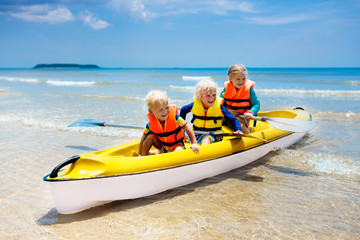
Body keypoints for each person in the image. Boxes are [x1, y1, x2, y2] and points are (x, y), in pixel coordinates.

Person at [180, 79, 242, 146]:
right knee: (181, 135)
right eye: (208, 96)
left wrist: (238, 129)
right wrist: (182, 127)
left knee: (207, 138)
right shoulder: (194, 105)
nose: (212, 98)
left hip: (213, 135)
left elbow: (232, 119)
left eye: (214, 95)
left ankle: (202, 153)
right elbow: (183, 110)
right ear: (200, 96)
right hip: (196, 133)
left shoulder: (220, 107)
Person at [138, 90, 199, 156]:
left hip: (177, 145)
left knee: (178, 151)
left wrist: (194, 143)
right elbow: (143, 138)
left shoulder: (176, 118)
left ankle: (167, 156)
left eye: (167, 108)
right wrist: (139, 153)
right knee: (150, 136)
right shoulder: (150, 125)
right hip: (163, 147)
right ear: (151, 112)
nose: (165, 112)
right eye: (161, 109)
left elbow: (187, 127)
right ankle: (143, 156)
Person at [220, 64, 260, 134]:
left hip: (242, 118)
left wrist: (250, 112)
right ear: (230, 79)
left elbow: (256, 104)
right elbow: (219, 104)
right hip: (227, 116)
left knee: (237, 121)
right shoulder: (226, 89)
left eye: (243, 79)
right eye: (238, 79)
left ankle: (248, 136)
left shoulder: (249, 90)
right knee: (216, 119)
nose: (241, 81)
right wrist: (226, 111)